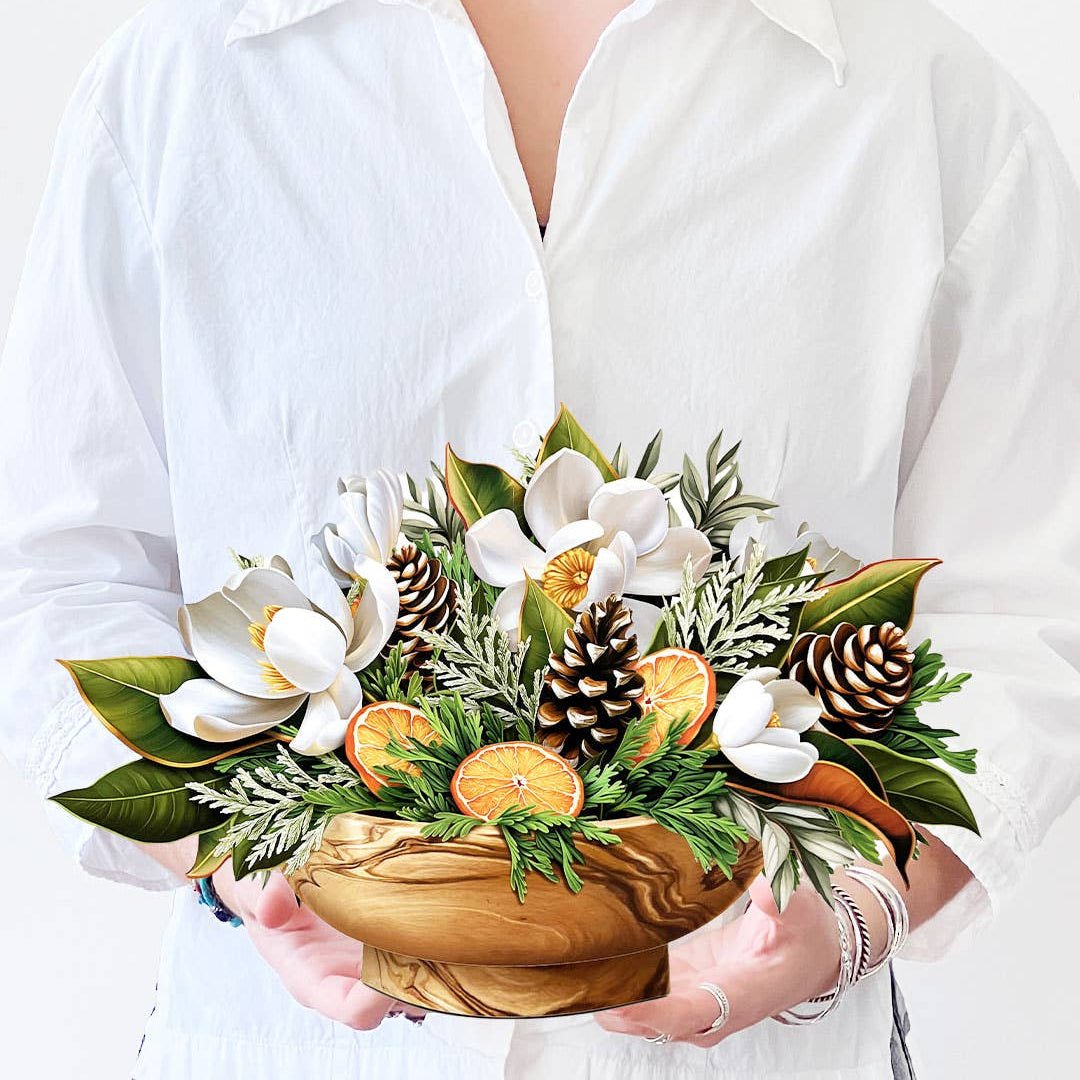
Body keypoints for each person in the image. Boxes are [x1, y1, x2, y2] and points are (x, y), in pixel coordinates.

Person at [2, 1, 1079, 1077]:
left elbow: (1024, 605)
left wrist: (851, 909)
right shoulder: (180, 84)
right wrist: (233, 853)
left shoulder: (925, 99)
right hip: (282, 1048)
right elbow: (59, 565)